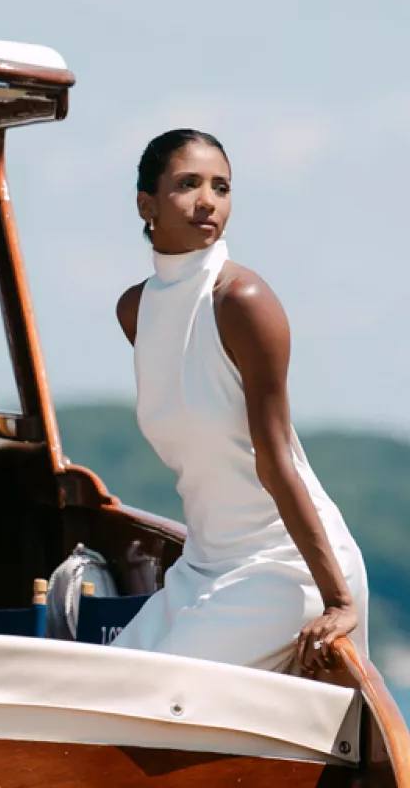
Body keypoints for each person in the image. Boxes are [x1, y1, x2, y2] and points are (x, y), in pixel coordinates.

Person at [111, 129, 368, 676]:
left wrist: (339, 600)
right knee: (94, 683)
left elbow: (276, 461)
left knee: (142, 692)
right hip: (201, 568)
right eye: (189, 184)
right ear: (146, 204)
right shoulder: (136, 310)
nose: (208, 200)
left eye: (221, 187)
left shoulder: (242, 302)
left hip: (283, 568)